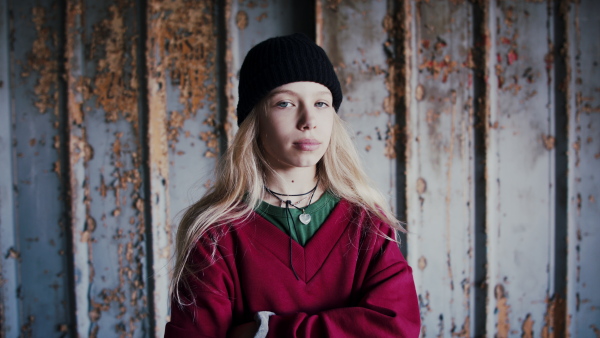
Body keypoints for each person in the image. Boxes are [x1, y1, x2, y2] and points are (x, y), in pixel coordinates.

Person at [164, 33, 420, 337]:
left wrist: (266, 332)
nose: (309, 119)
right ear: (254, 119)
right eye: (284, 103)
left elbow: (397, 328)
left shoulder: (367, 222)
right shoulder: (215, 234)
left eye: (321, 103)